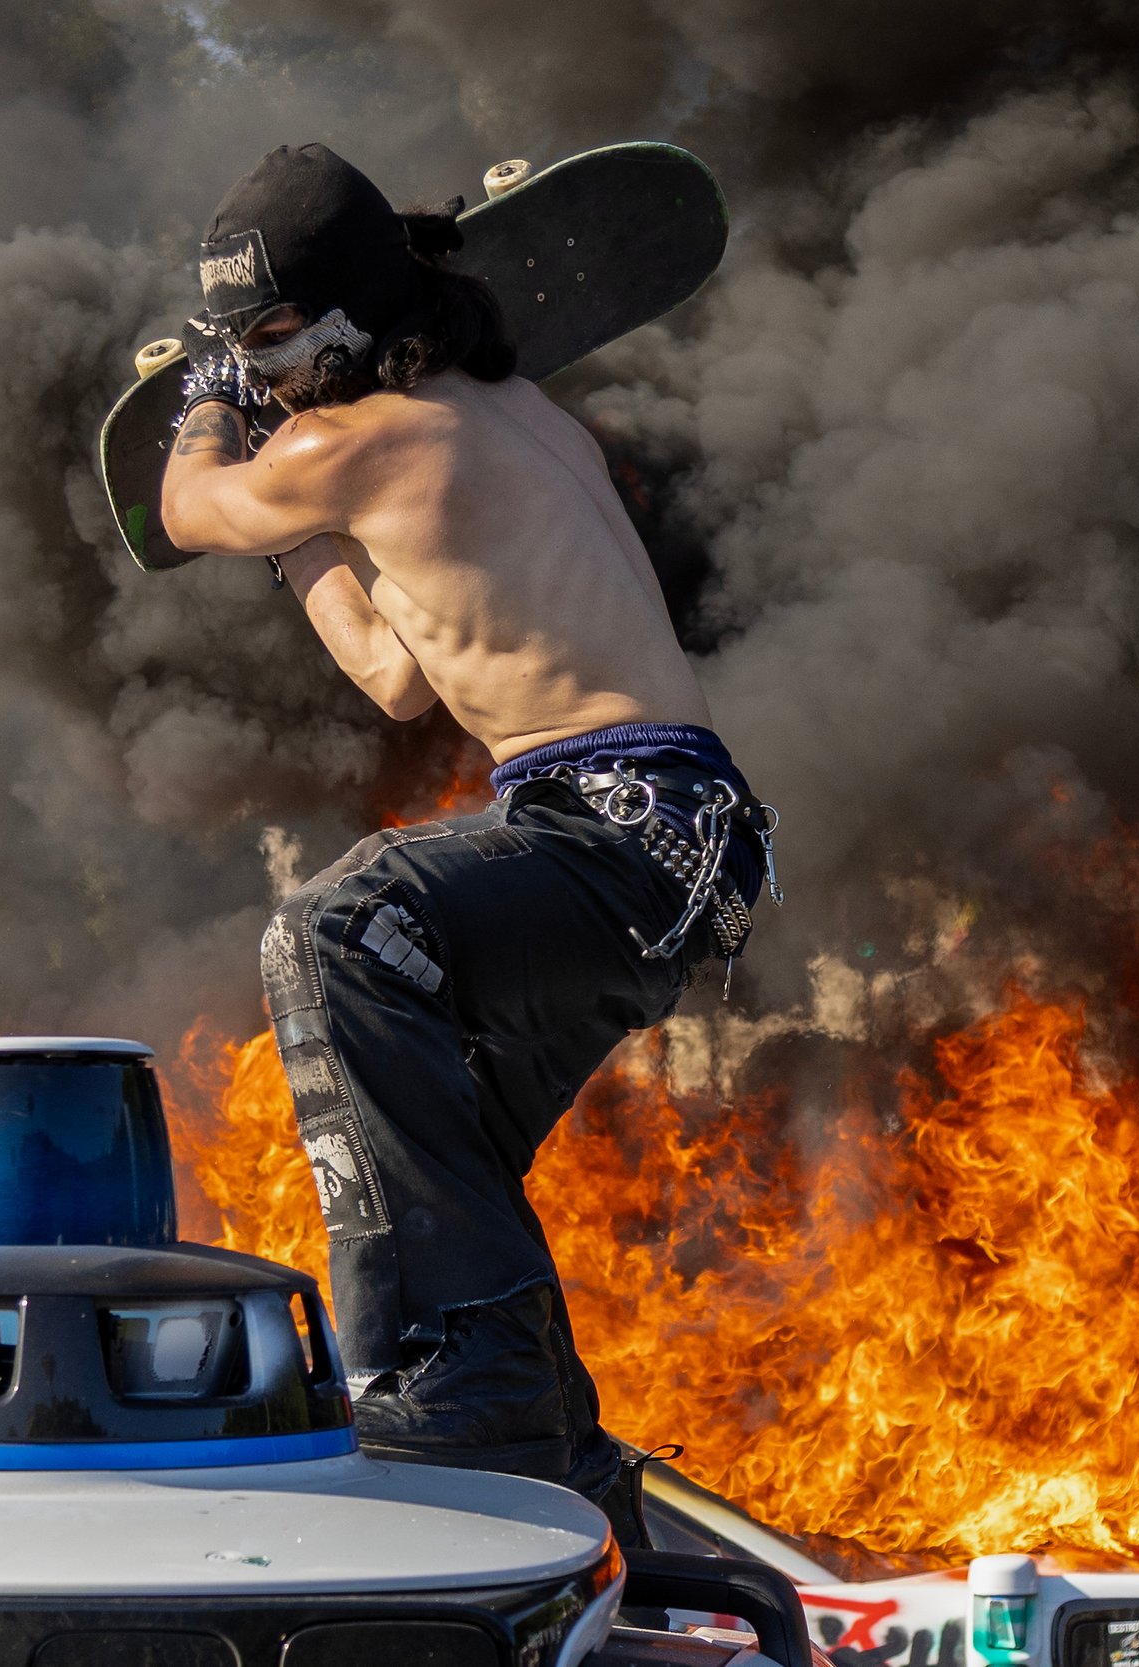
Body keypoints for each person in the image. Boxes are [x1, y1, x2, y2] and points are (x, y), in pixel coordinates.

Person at [160, 144, 777, 1539]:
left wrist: (206, 410)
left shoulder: (359, 439)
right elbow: (394, 671)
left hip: (621, 827)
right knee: (438, 1139)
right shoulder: (503, 408)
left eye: (270, 341)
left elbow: (185, 508)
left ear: (355, 318)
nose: (260, 372)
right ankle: (555, 1439)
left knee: (336, 933)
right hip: (682, 850)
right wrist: (300, 527)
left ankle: (473, 1386)